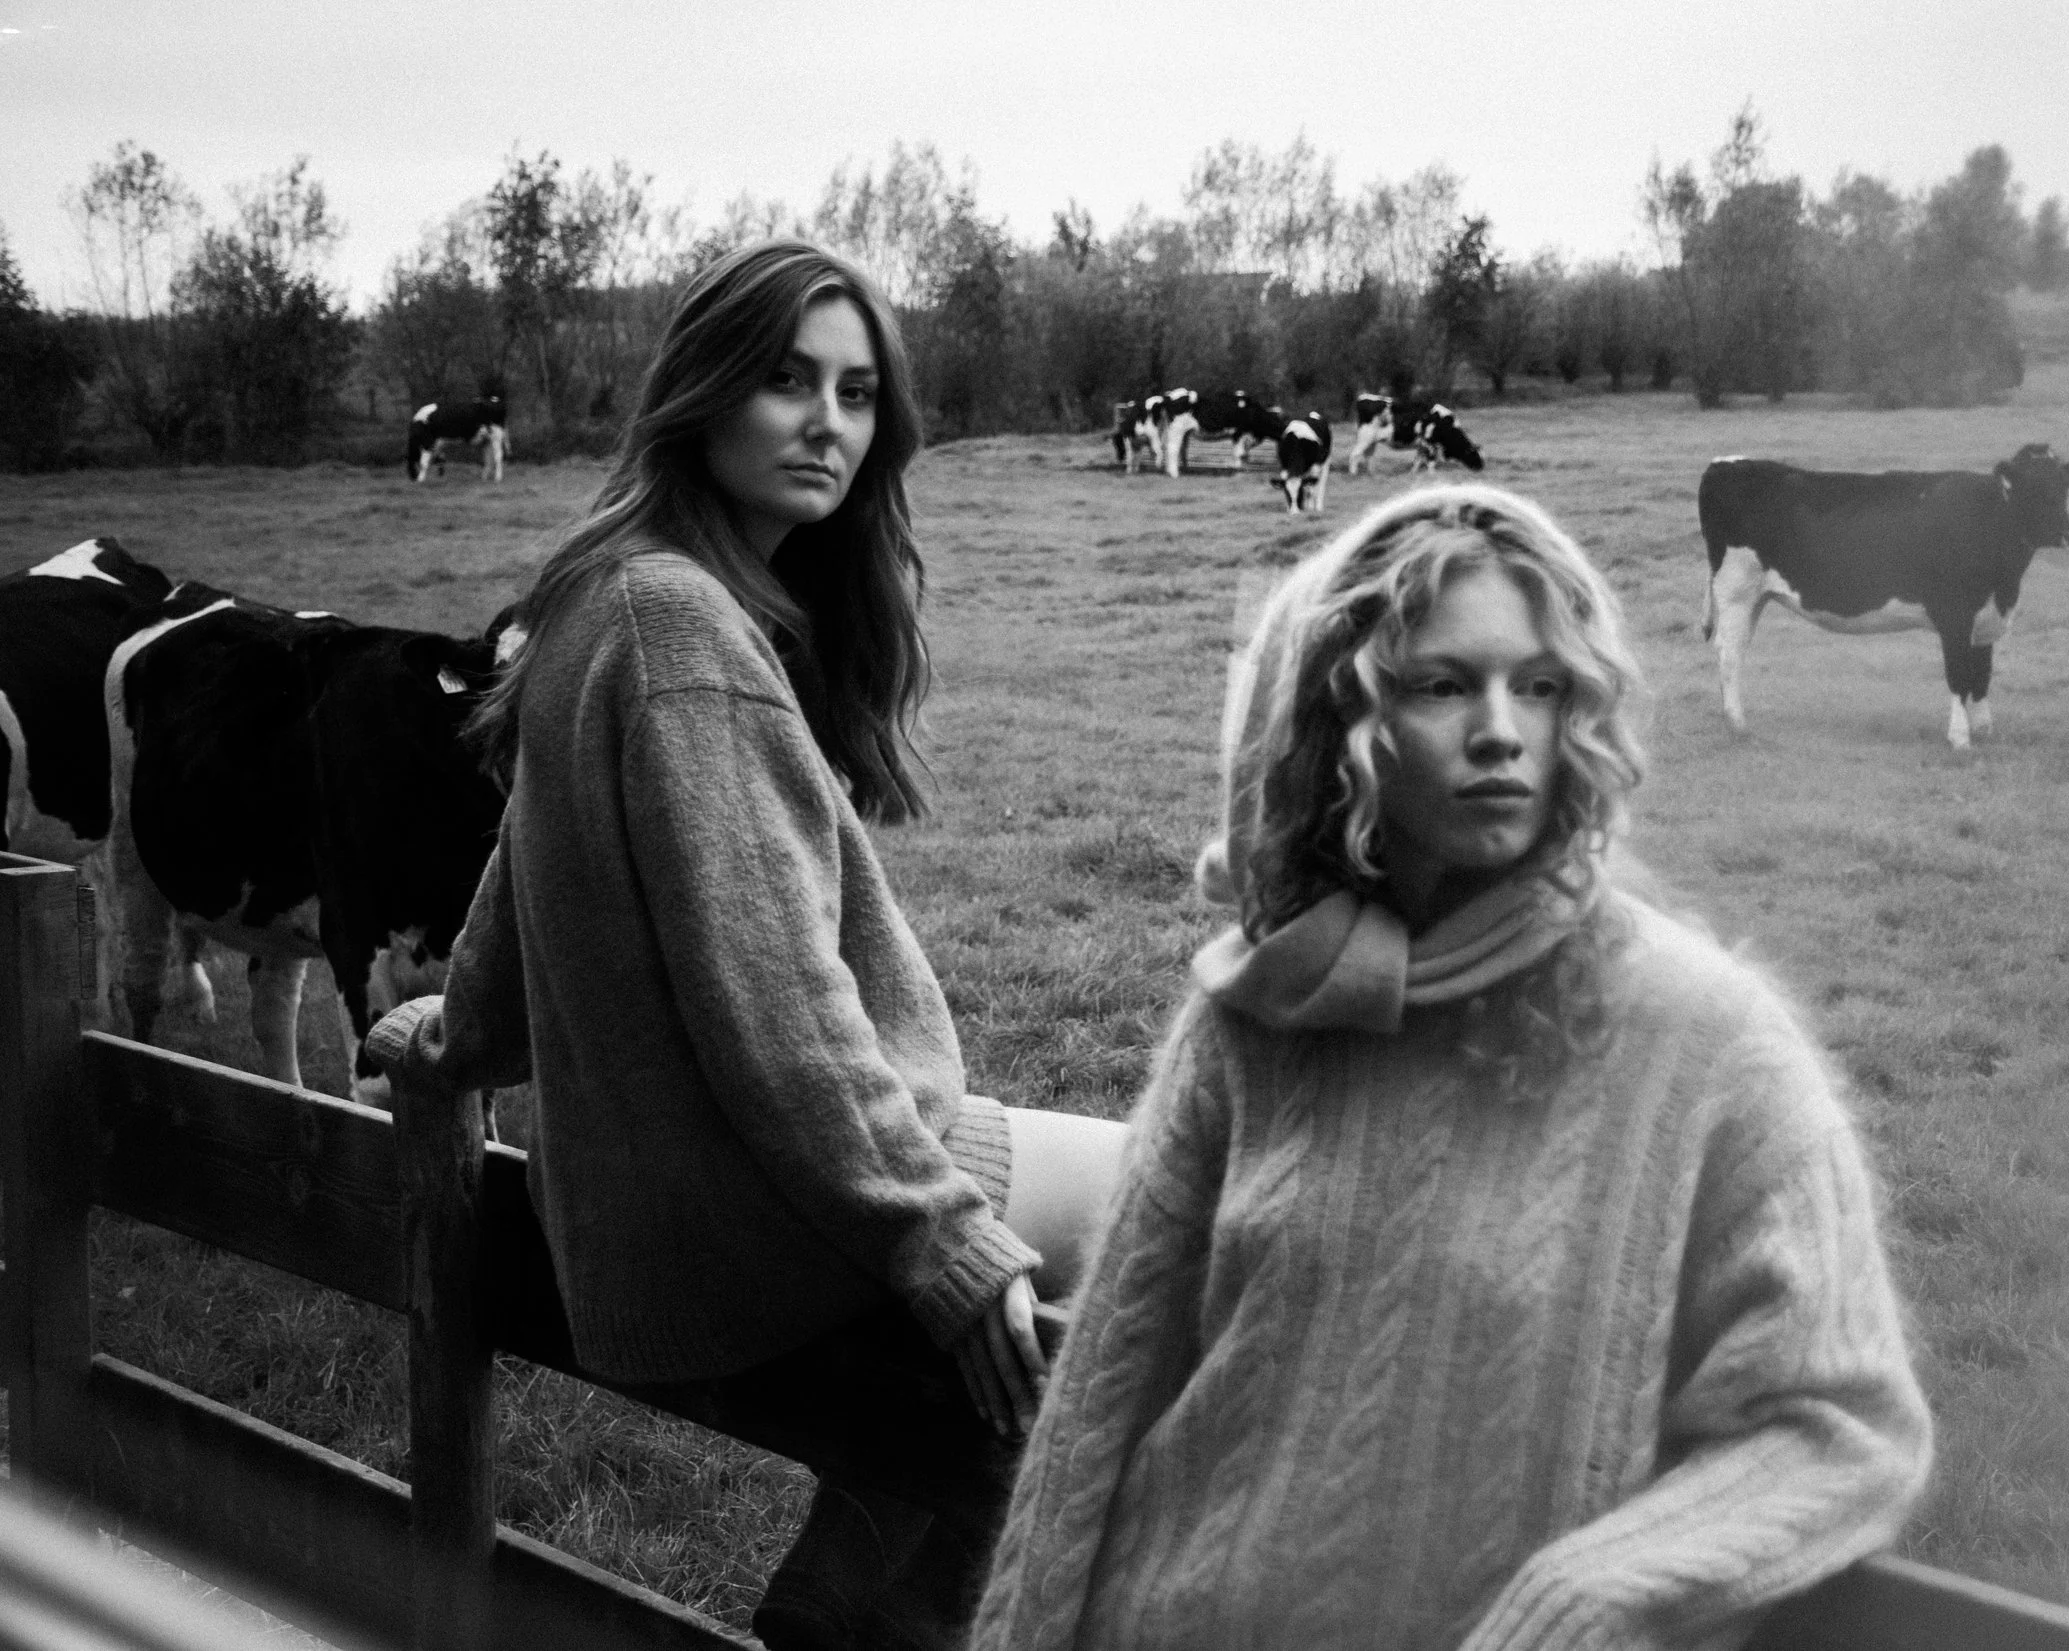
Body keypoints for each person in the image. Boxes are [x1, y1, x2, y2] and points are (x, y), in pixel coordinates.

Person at [972, 484, 1933, 1651]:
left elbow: (1838, 1421)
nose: (1500, 729)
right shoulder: (1260, 1010)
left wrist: (1590, 1595)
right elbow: (1099, 1395)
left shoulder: (1705, 1039)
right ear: (1342, 716)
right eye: (1440, 683)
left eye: (1540, 684)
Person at [362, 239, 1123, 1651]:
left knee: (1088, 1267)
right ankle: (859, 1615)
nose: (826, 422)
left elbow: (527, 865)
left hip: (645, 1220)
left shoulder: (608, 589)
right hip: (751, 1218)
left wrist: (457, 1039)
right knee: (1181, 1200)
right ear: (703, 391)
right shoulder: (681, 630)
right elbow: (779, 1012)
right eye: (786, 381)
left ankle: (854, 1592)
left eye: (855, 391)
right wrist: (937, 1237)